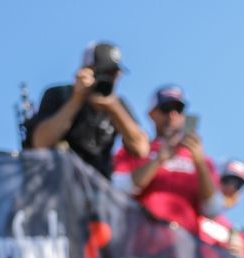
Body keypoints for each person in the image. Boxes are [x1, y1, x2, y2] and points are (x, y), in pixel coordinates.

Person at [25, 41, 149, 178]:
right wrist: (77, 99)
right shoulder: (60, 94)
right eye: (103, 72)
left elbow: (141, 148)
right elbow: (41, 142)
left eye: (114, 73)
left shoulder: (118, 105)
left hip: (99, 189)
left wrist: (112, 108)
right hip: (60, 185)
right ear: (86, 70)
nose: (109, 78)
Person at [112, 86, 217, 233]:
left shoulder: (203, 160)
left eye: (178, 109)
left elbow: (213, 209)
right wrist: (158, 160)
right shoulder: (136, 149)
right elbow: (117, 188)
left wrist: (199, 162)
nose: (172, 114)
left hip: (184, 245)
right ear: (151, 114)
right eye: (166, 108)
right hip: (141, 238)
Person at [199, 159, 244, 258]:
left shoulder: (234, 233)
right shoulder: (192, 211)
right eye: (227, 181)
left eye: (238, 185)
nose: (231, 188)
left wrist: (239, 256)